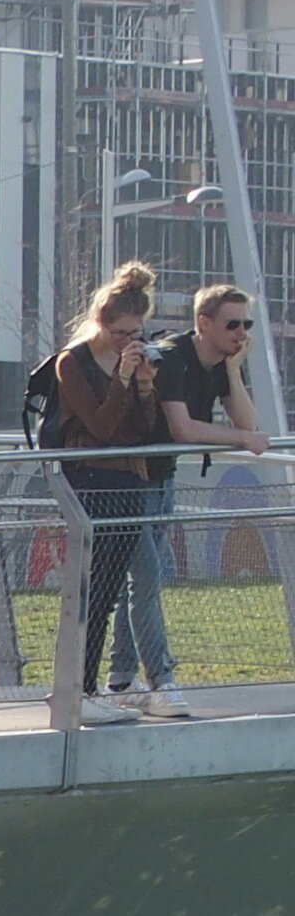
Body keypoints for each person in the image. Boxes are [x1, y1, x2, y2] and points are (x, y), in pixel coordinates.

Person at [41, 261, 167, 715]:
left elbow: (145, 428)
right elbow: (100, 426)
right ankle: (77, 688)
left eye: (137, 333)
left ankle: (87, 689)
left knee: (111, 587)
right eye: (121, 334)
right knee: (89, 590)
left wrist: (147, 387)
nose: (128, 342)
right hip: (91, 478)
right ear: (100, 322)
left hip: (129, 478)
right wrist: (123, 378)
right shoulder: (71, 364)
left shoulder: (132, 363)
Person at [154, 281, 274, 712]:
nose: (242, 333)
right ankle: (129, 682)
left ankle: (125, 680)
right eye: (232, 324)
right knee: (141, 583)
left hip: (160, 479)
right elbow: (183, 429)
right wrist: (242, 436)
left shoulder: (218, 363)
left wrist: (234, 371)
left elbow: (250, 424)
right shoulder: (171, 356)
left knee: (146, 582)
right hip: (127, 480)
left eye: (247, 324)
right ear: (203, 323)